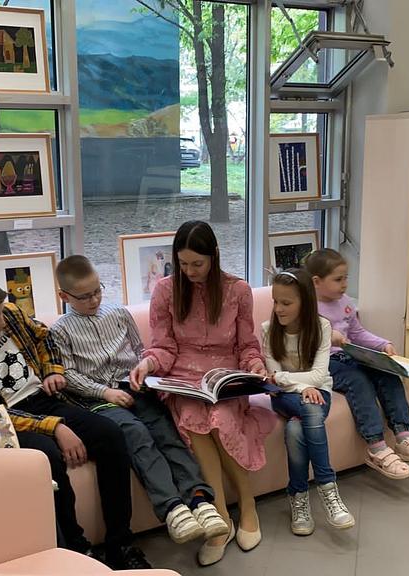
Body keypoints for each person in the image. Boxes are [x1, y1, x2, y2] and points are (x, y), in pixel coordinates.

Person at [0, 274, 150, 570]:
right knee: (47, 457)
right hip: (11, 421)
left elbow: (44, 337)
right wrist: (55, 426)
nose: (0, 322)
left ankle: (121, 545)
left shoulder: (9, 314)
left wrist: (53, 370)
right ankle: (78, 551)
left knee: (110, 434)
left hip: (46, 399)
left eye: (0, 314)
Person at [49, 255, 229, 547]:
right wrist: (104, 392)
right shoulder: (60, 331)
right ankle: (172, 507)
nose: (94, 300)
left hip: (135, 387)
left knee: (166, 431)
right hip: (98, 399)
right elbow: (67, 375)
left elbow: (140, 350)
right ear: (64, 296)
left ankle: (199, 499)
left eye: (97, 291)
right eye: (84, 297)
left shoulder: (118, 313)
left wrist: (144, 370)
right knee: (136, 434)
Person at [129, 220, 275, 567]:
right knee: (196, 418)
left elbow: (247, 345)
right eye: (183, 264)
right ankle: (220, 518)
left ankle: (248, 505)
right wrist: (147, 364)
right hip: (182, 379)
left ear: (214, 256)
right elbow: (163, 346)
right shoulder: (165, 291)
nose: (190, 271)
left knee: (220, 418)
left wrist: (255, 366)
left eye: (198, 263)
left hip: (225, 377)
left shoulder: (237, 290)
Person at [305, 249, 409, 480]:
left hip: (349, 356)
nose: (345, 284)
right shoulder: (306, 307)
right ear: (316, 281)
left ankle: (403, 436)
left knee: (387, 373)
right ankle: (376, 446)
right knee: (358, 381)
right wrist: (328, 336)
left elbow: (357, 333)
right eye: (338, 279)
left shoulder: (344, 302)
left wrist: (383, 345)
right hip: (323, 362)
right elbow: (301, 340)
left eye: (346, 278)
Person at [262, 269, 355, 536]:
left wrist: (286, 378)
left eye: (286, 303)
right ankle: (328, 488)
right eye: (275, 301)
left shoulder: (322, 327)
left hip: (318, 391)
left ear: (305, 301)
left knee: (295, 428)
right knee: (311, 410)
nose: (278, 309)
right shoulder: (268, 330)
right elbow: (274, 379)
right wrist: (303, 387)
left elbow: (317, 375)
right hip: (285, 397)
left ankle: (298, 495)